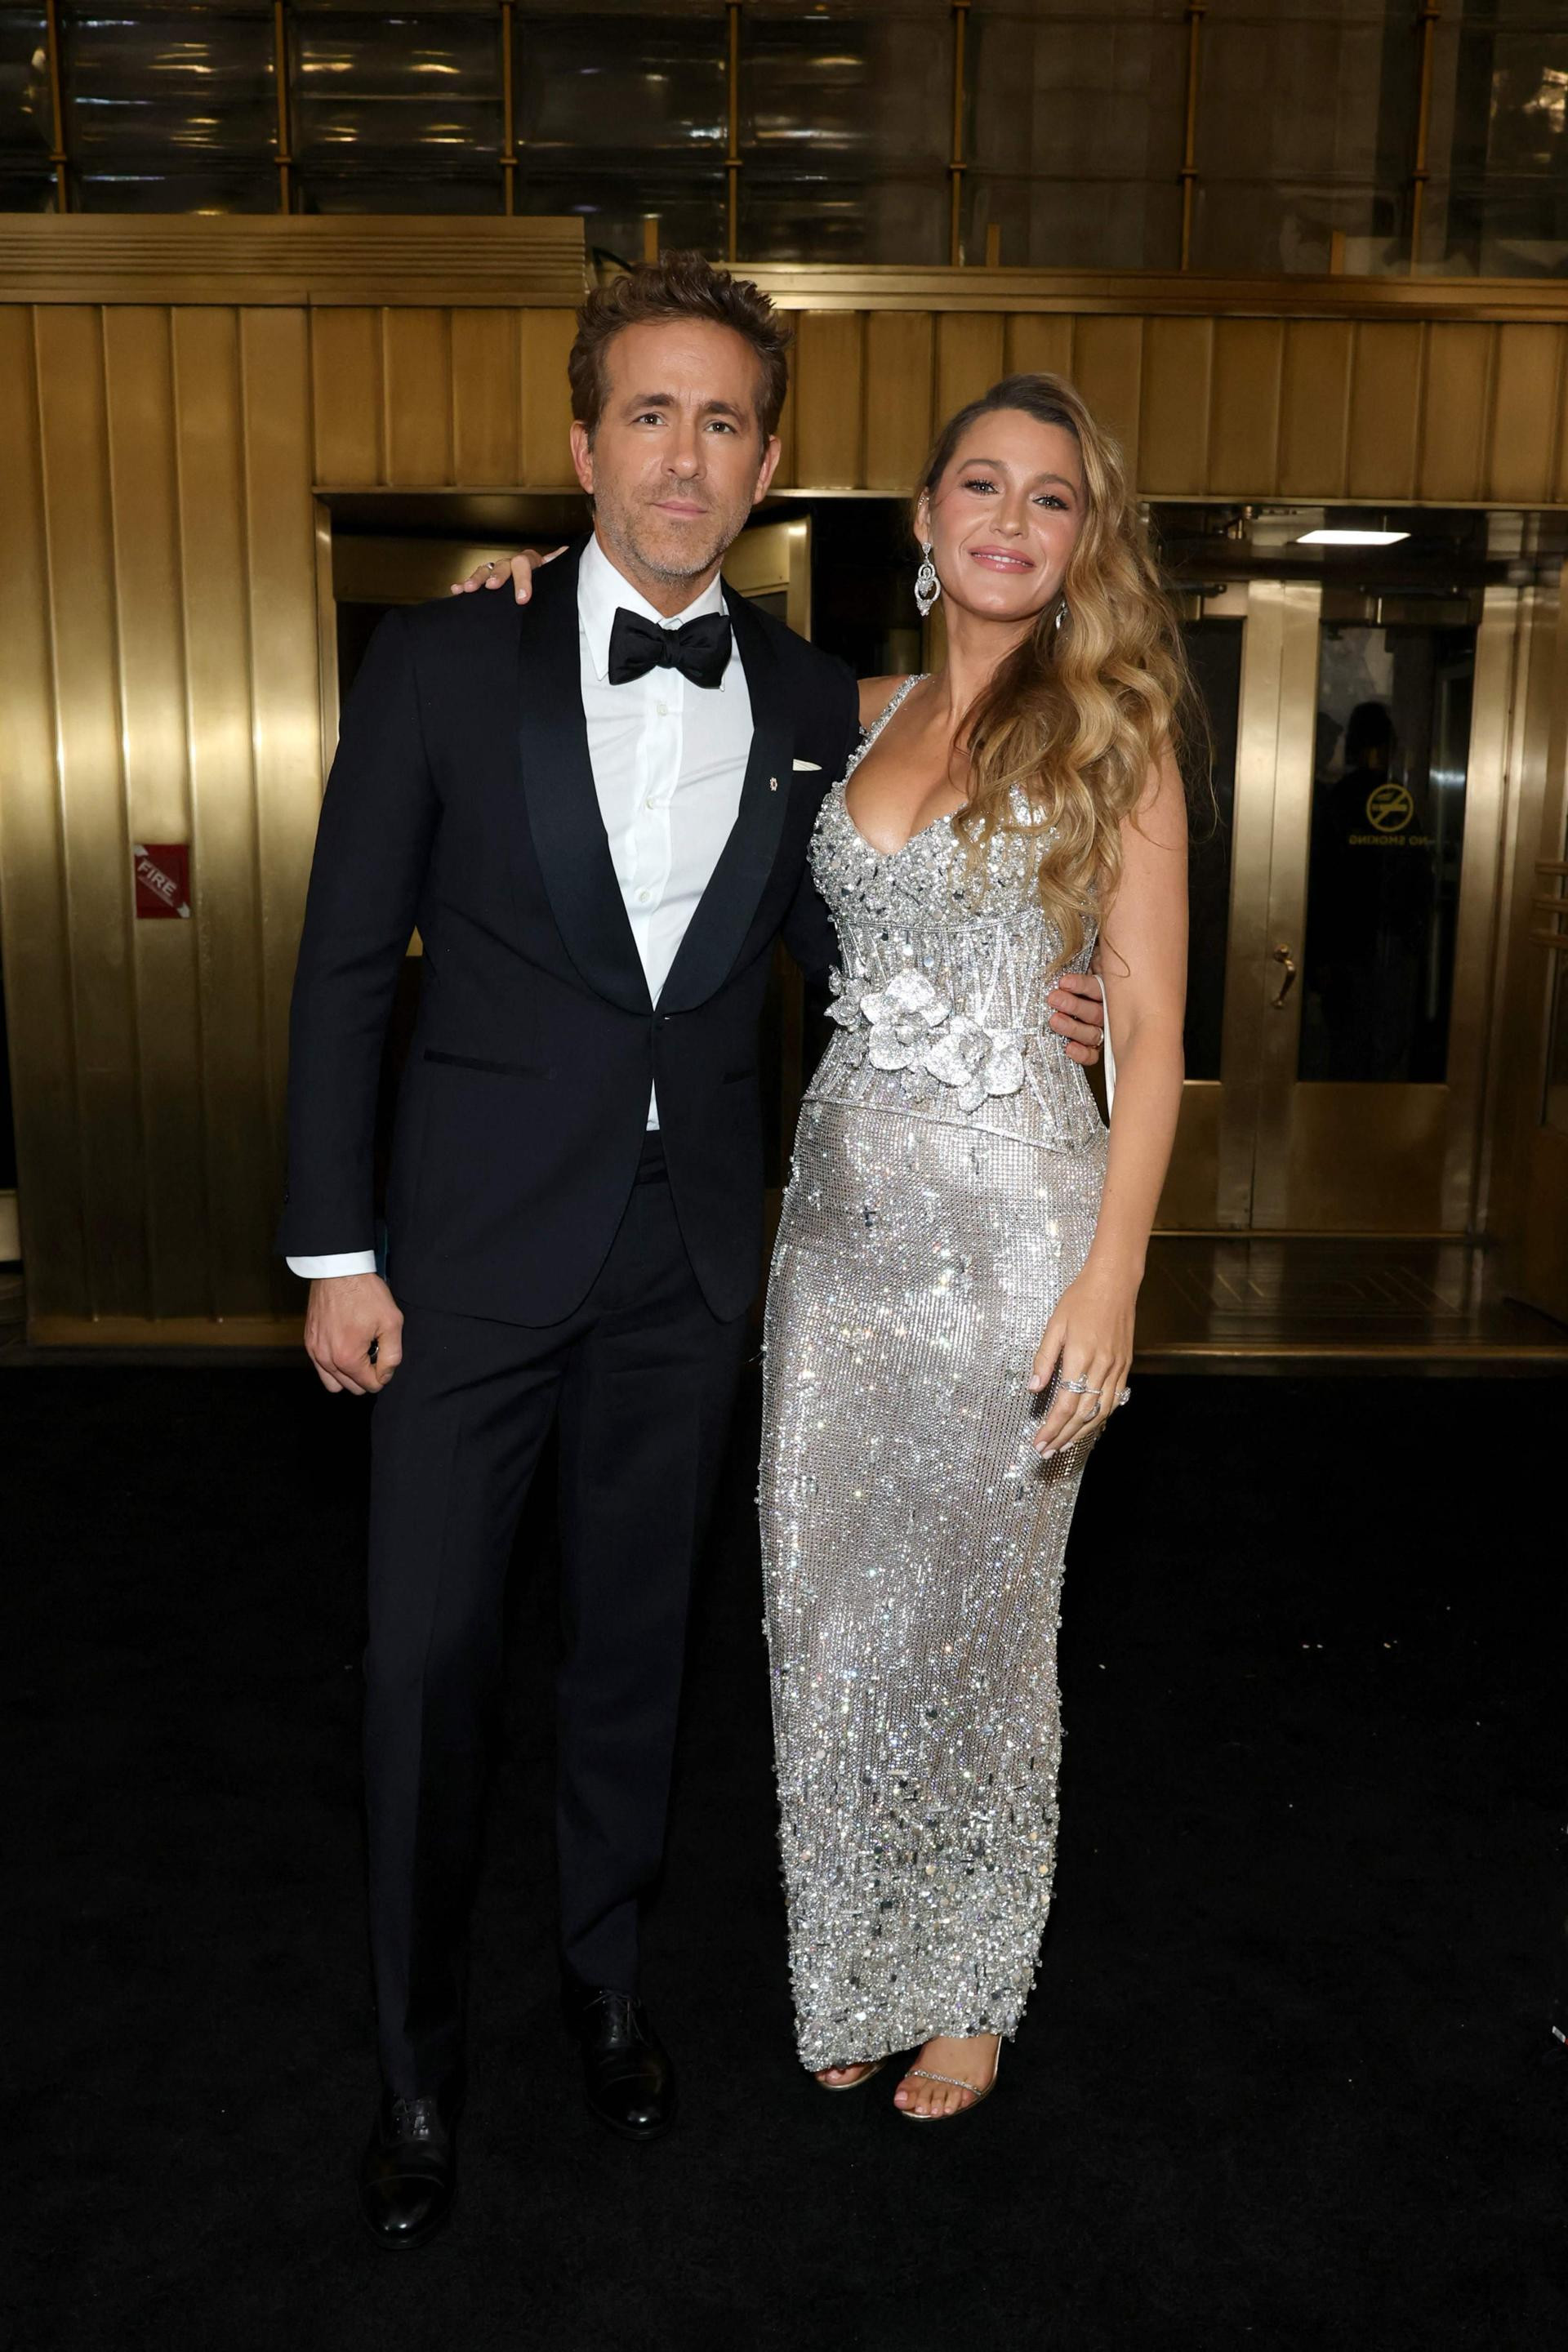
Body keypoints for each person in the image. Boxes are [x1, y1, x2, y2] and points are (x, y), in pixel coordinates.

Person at [281, 256, 1109, 2247]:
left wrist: (1036, 994)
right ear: (584, 447)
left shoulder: (817, 698)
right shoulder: (442, 659)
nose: (684, 454)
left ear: (767, 462)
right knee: (427, 1669)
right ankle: (416, 2069)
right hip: (459, 1269)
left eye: (722, 420)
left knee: (635, 1660)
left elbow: (870, 923)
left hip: (692, 1278)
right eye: (648, 414)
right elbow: (341, 967)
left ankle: (607, 1984)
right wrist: (332, 1252)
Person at [760, 374, 1188, 2118]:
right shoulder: (851, 712)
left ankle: (969, 1978)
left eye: (1053, 498)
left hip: (1022, 1232)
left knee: (984, 1623)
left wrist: (1116, 1275)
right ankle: (855, 1957)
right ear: (927, 517)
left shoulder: (1115, 733)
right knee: (822, 1608)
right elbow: (666, 642)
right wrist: (530, 580)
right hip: (837, 1231)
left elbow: (1147, 1027)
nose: (1014, 519)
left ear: (1086, 540)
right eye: (984, 486)